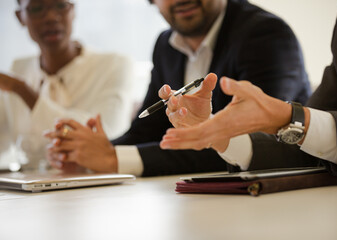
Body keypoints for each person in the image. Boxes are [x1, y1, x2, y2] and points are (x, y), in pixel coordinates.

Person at [45, 0, 312, 176]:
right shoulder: (165, 46)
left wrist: (113, 158)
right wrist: (88, 153)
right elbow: (148, 129)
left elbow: (252, 142)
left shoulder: (265, 34)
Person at [159, 0, 337, 176]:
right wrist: (217, 133)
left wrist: (289, 118)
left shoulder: (263, 31)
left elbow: (310, 130)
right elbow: (309, 146)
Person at [0, 0, 133, 170]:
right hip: (31, 191)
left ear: (73, 10)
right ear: (20, 17)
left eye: (61, 5)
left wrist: (23, 90)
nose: (50, 17)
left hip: (97, 189)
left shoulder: (114, 65)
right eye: (37, 8)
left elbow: (107, 135)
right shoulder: (18, 69)